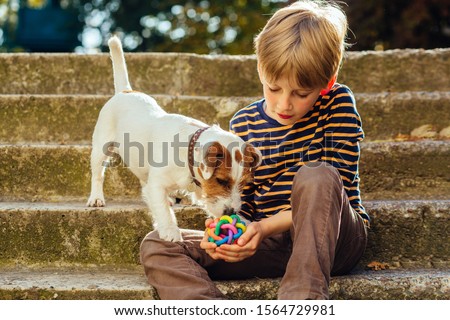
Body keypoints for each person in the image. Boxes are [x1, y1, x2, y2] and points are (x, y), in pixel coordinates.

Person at [140, 0, 369, 300]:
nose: (284, 104)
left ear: (327, 82)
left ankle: (300, 303)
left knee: (318, 176)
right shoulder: (242, 125)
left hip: (334, 239)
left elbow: (331, 194)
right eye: (274, 88)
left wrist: (261, 228)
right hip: (268, 243)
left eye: (301, 93)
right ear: (260, 68)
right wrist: (229, 233)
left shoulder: (337, 104)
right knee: (157, 244)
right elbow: (244, 205)